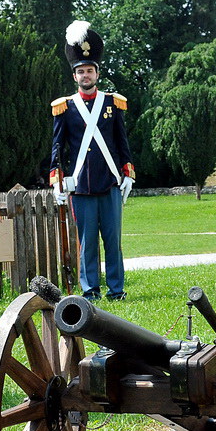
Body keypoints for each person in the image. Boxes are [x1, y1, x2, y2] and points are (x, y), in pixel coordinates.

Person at [50, 21, 134, 301]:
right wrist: (57, 180)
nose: (86, 75)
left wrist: (128, 172)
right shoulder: (65, 107)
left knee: (113, 242)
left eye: (90, 70)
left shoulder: (113, 103)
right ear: (74, 76)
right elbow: (58, 147)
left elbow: (122, 142)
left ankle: (117, 289)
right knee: (86, 245)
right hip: (82, 186)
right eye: (81, 71)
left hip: (109, 181)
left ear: (97, 72)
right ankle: (90, 290)